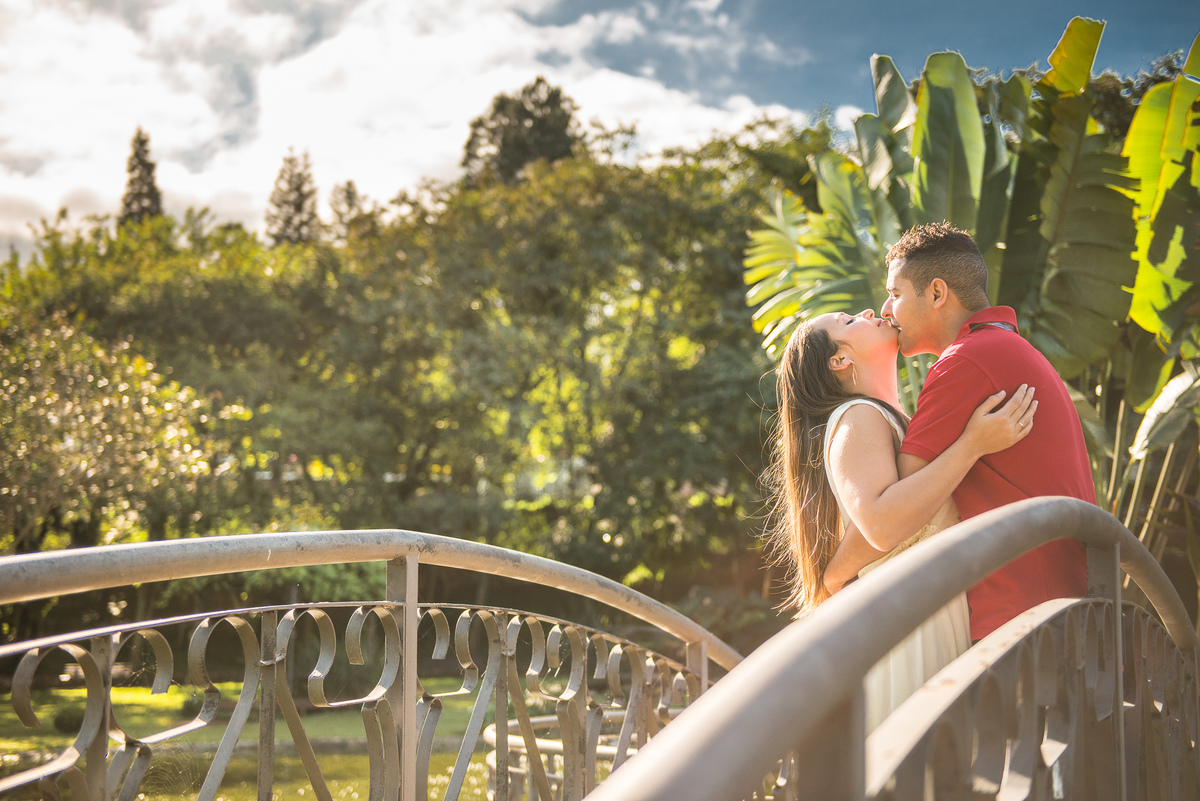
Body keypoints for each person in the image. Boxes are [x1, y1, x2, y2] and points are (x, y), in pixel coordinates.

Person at [763, 307, 1036, 729]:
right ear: (840, 360)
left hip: (923, 609)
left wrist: (835, 574)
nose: (869, 311)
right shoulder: (858, 416)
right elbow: (881, 524)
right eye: (848, 321)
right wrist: (972, 445)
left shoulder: (885, 418)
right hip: (912, 622)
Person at [871, 221, 1095, 642]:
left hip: (1025, 618)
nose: (885, 309)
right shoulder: (1004, 347)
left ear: (937, 293)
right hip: (1060, 607)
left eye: (895, 293)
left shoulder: (966, 360)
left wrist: (835, 574)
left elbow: (903, 495)